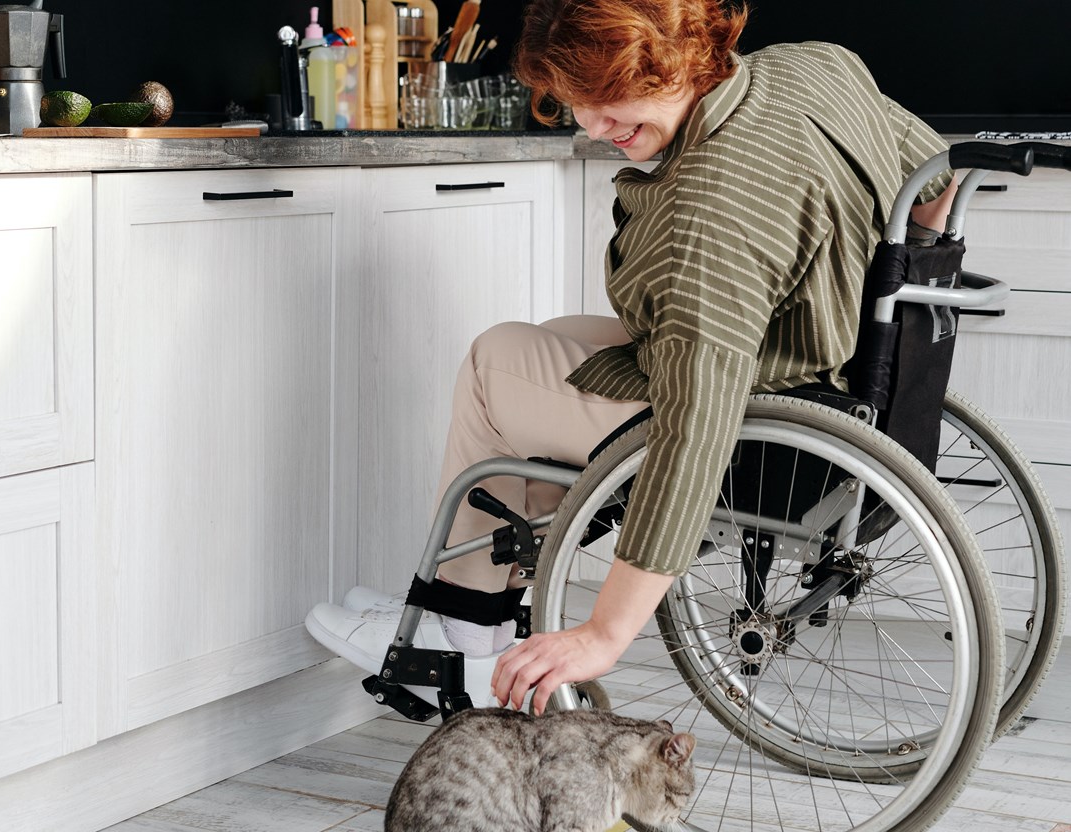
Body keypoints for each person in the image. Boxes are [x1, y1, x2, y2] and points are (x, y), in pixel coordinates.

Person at [306, 0, 957, 716]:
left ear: (672, 60)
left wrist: (605, 633)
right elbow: (934, 183)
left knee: (496, 364)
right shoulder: (813, 67)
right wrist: (876, 317)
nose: (590, 124)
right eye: (574, 101)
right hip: (839, 380)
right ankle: (490, 585)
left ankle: (466, 628)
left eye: (606, 95)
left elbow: (694, 430)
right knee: (552, 338)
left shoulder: (711, 209)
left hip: (761, 433)